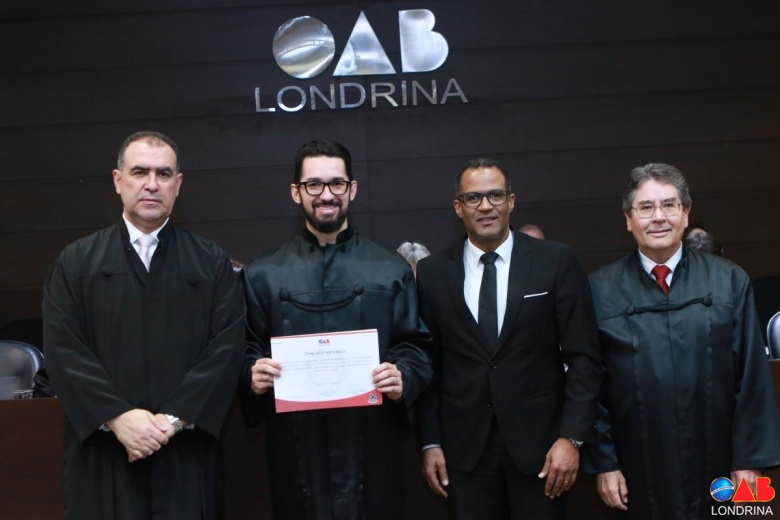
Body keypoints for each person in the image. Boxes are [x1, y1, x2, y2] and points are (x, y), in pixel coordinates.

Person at [43, 131, 246, 520]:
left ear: (178, 184)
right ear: (118, 180)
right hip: (104, 454)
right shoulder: (76, 263)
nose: (152, 184)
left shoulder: (211, 262)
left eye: (163, 174)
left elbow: (226, 348)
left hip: (185, 454)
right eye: (140, 172)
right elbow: (63, 349)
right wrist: (118, 417)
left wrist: (170, 422)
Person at [241, 139, 432, 519]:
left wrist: (403, 376)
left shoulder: (389, 269)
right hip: (296, 447)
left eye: (336, 183)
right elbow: (245, 347)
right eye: (314, 184)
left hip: (371, 443)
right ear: (296, 192)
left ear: (352, 189)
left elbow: (415, 345)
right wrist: (252, 373)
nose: (326, 195)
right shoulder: (263, 273)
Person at [586, 163, 780, 519]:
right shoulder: (600, 290)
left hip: (718, 461)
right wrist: (605, 462)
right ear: (628, 218)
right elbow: (590, 383)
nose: (658, 217)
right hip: (636, 466)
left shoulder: (728, 281)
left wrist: (749, 459)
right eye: (646, 207)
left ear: (686, 213)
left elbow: (751, 376)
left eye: (669, 205)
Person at [415, 158, 602, 519]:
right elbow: (429, 365)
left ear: (511, 201)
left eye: (495, 195)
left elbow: (584, 358)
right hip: (464, 455)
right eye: (473, 198)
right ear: (458, 207)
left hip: (543, 453)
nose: (485, 206)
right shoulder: (434, 272)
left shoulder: (555, 260)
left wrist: (571, 437)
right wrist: (430, 442)